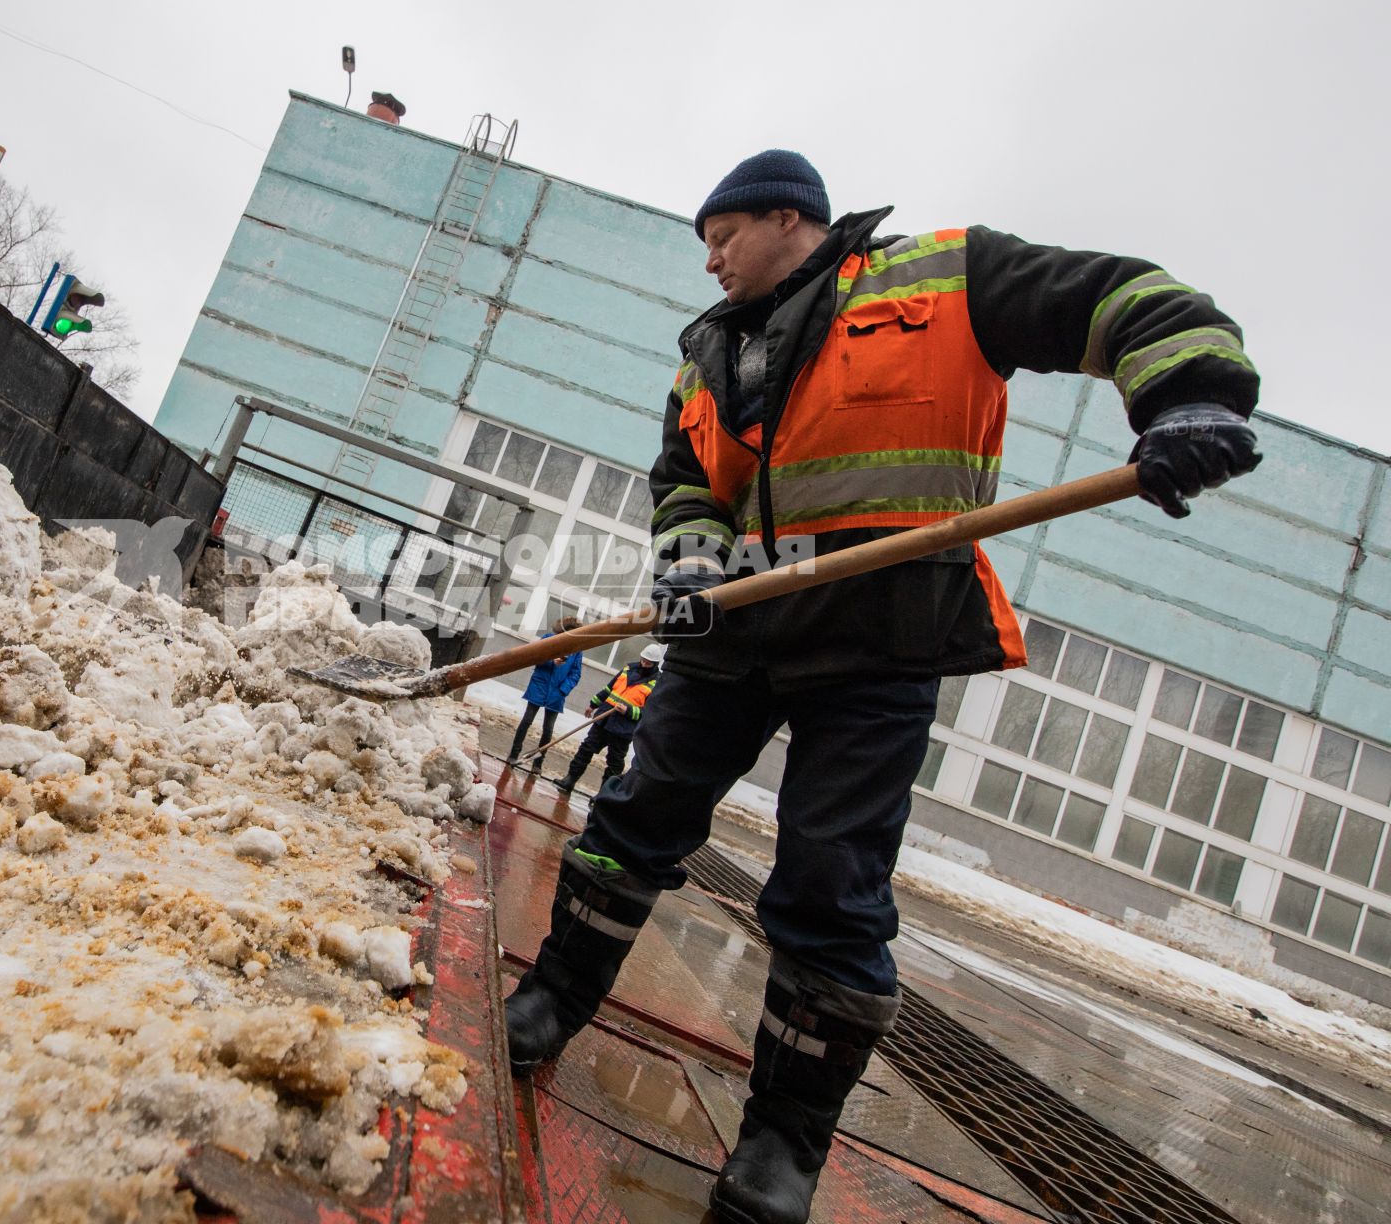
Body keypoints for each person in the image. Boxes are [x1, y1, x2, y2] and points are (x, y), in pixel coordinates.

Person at [501, 150, 1261, 1224]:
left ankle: (780, 1146)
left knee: (831, 882)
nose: (709, 259)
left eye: (720, 234)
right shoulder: (704, 354)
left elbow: (1119, 297)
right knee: (635, 816)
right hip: (737, 626)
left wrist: (1185, 396)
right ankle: (545, 1002)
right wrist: (687, 562)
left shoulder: (942, 279)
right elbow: (685, 481)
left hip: (882, 635)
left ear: (787, 217)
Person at [557, 643, 663, 800]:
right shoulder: (628, 669)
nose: (644, 663)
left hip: (623, 730)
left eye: (648, 662)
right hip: (604, 720)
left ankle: (604, 796)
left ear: (655, 664)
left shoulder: (656, 683)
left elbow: (648, 713)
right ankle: (570, 780)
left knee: (614, 764)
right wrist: (593, 705)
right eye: (643, 659)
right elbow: (609, 689)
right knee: (585, 750)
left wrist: (628, 711)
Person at [508, 616, 584, 771]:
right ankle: (514, 754)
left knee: (548, 728)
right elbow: (535, 657)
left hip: (557, 691)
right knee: (527, 720)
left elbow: (576, 673)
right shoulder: (549, 639)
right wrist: (551, 661)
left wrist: (563, 690)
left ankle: (538, 763)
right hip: (540, 685)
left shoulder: (577, 650)